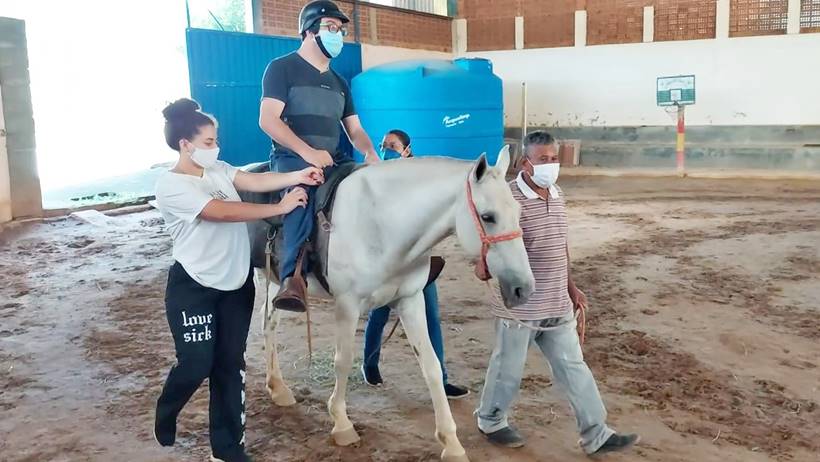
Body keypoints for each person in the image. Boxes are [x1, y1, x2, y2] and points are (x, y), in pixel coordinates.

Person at [153, 98, 323, 462]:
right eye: (210, 142)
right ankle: (168, 407)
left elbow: (255, 179)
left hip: (236, 284)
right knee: (197, 363)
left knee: (230, 366)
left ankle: (228, 450)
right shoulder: (170, 185)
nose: (217, 148)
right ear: (186, 144)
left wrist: (297, 175)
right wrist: (279, 207)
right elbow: (221, 212)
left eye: (216, 141)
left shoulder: (219, 171)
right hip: (194, 287)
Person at [475, 131, 639, 456]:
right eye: (543, 159)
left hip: (557, 302)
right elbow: (491, 247)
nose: (551, 165)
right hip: (519, 305)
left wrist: (570, 286)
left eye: (554, 159)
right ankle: (491, 420)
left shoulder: (557, 193)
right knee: (508, 368)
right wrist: (483, 265)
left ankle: (596, 433)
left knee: (573, 366)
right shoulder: (508, 200)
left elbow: (560, 244)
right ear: (526, 162)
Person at [259, 0, 379, 313]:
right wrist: (307, 152)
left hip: (335, 160)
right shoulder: (281, 68)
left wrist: (369, 151)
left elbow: (355, 129)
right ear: (309, 32)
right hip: (291, 159)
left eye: (340, 29)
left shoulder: (340, 83)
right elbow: (268, 120)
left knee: (373, 192)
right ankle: (292, 277)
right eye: (331, 28)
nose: (337, 34)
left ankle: (383, 264)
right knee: (300, 199)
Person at [360, 129, 469, 399]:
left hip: (417, 262)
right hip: (387, 261)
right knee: (379, 313)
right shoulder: (372, 177)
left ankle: (440, 379)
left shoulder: (419, 182)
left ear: (407, 150)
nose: (386, 149)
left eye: (392, 145)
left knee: (431, 317)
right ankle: (370, 364)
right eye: (383, 145)